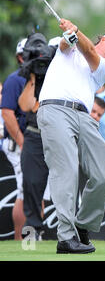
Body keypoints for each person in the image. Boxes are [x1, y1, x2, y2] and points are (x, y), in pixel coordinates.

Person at [37, 18, 105, 253]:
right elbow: (66, 46)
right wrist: (70, 35)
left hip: (84, 117)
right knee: (66, 171)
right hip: (55, 109)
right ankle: (66, 238)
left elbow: (88, 51)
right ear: (104, 39)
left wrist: (76, 30)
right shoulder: (65, 45)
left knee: (101, 176)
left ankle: (84, 224)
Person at [17, 33, 56, 241]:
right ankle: (31, 235)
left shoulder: (59, 74)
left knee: (65, 184)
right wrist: (32, 76)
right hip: (34, 136)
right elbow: (26, 106)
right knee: (31, 184)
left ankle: (72, 234)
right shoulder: (27, 75)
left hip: (57, 137)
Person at [0, 38, 27, 240]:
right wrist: (23, 142)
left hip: (35, 146)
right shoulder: (15, 79)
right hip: (20, 146)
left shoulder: (44, 78)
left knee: (35, 195)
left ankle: (31, 239)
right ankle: (24, 243)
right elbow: (7, 113)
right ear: (19, 57)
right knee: (26, 194)